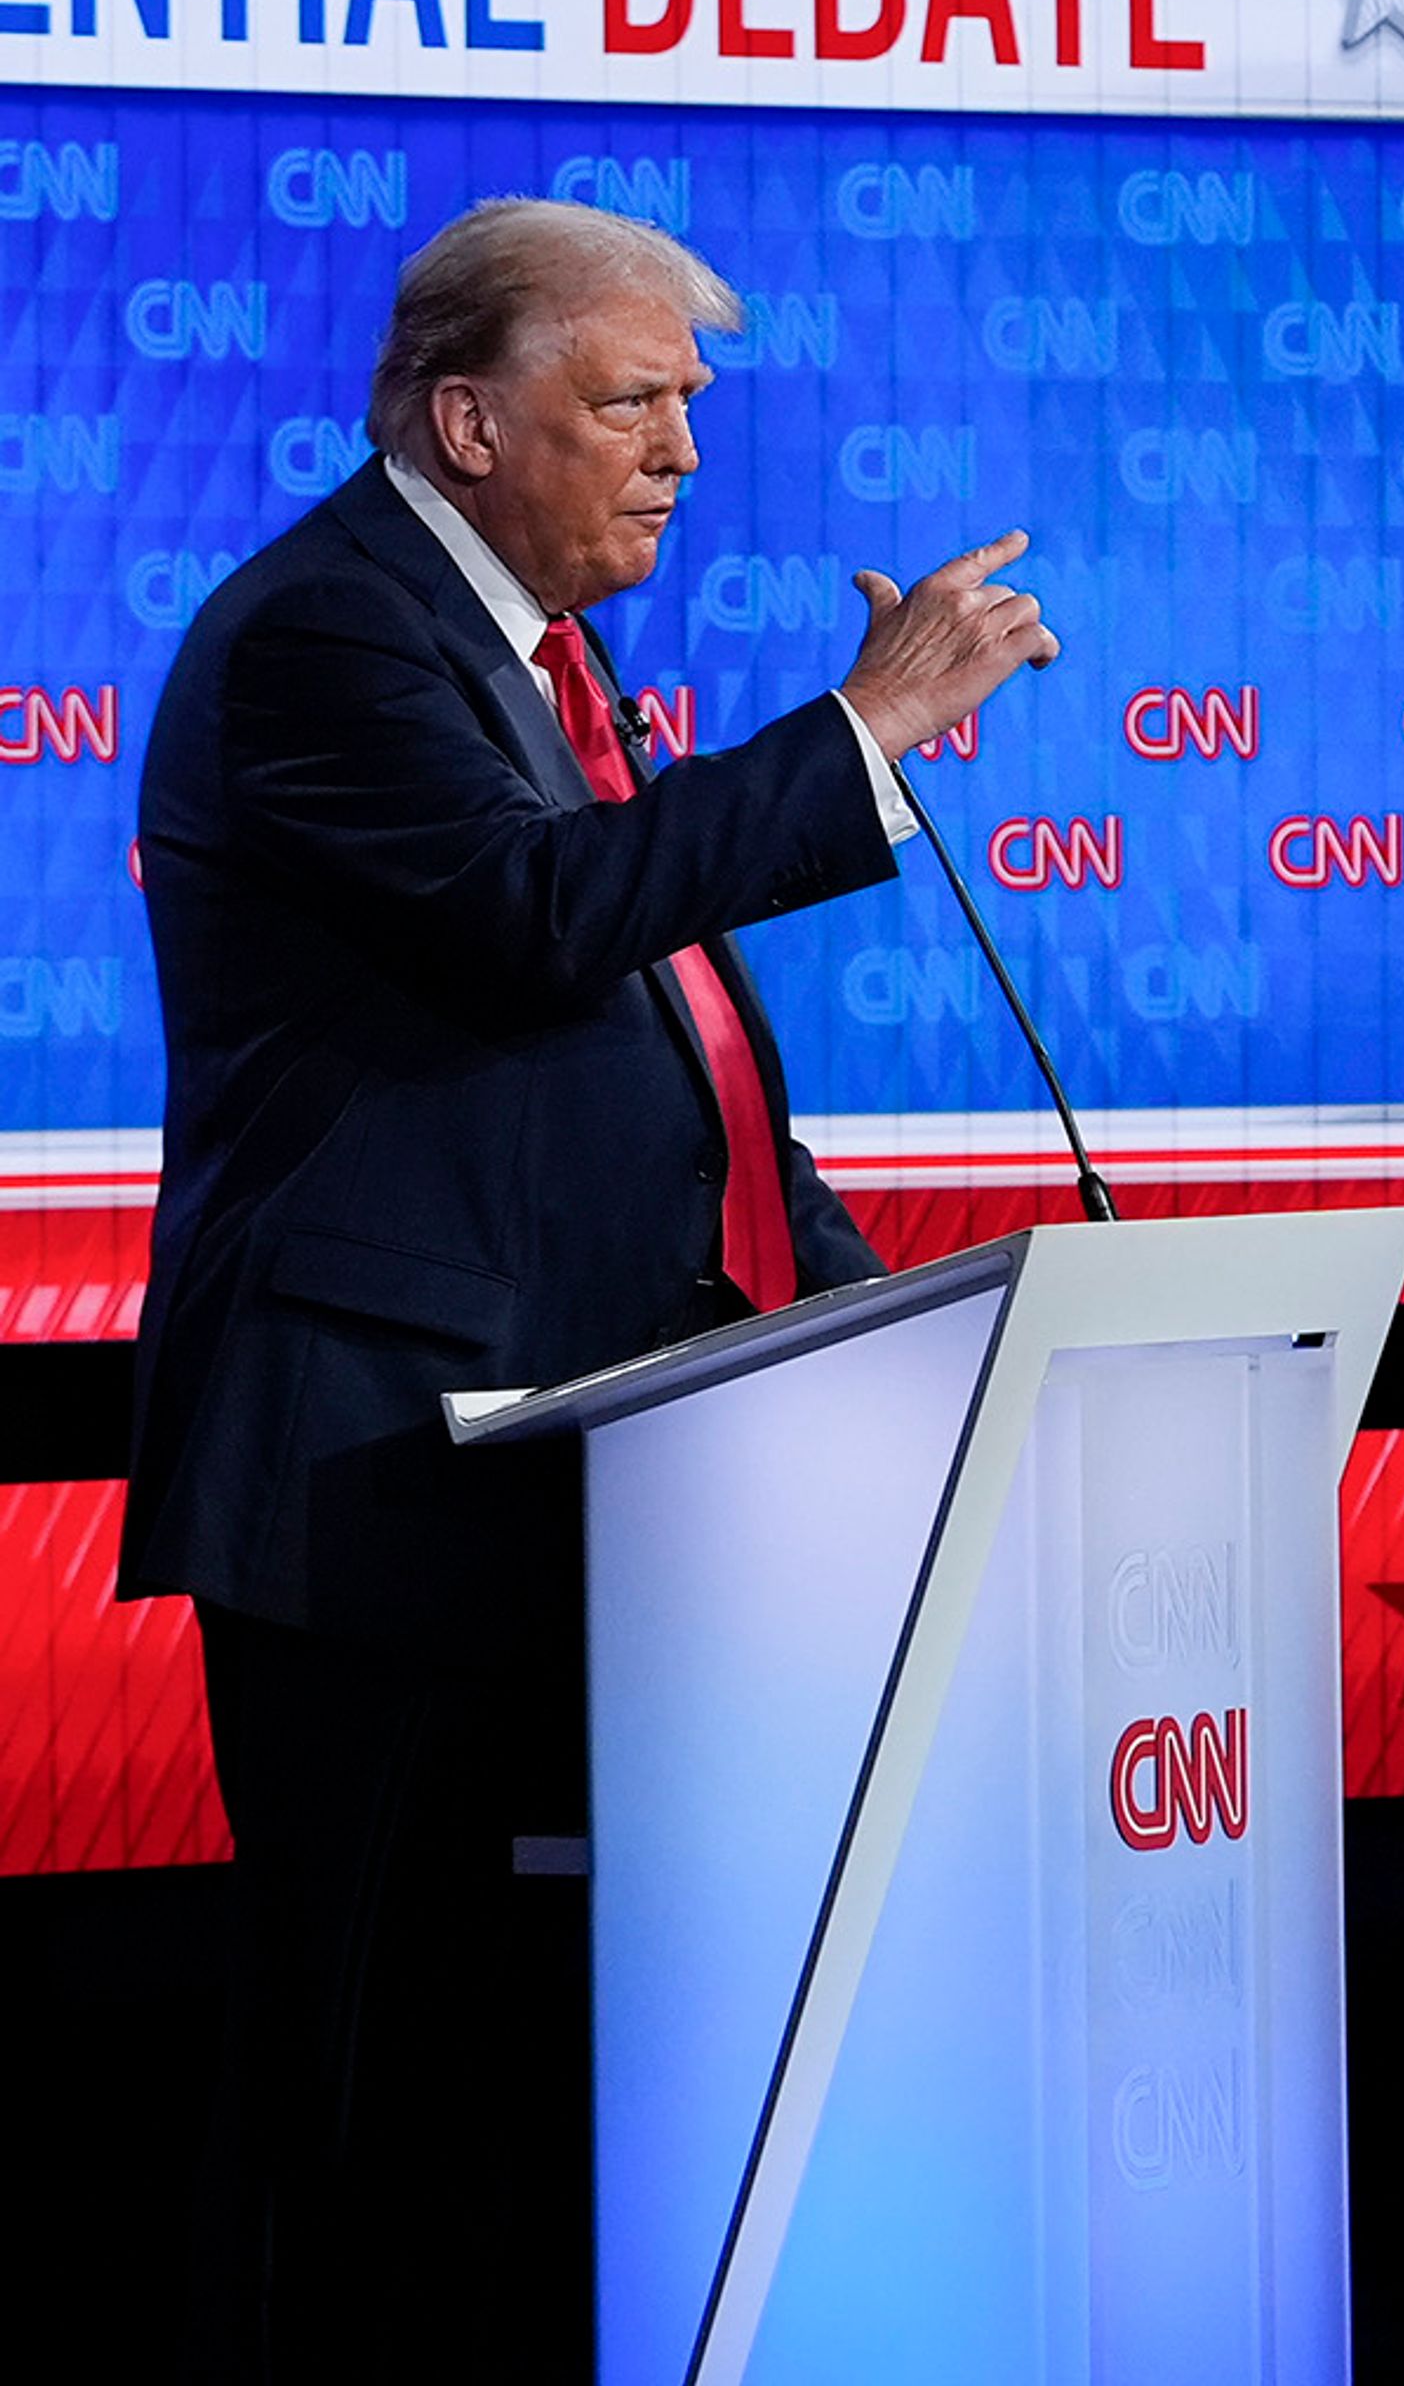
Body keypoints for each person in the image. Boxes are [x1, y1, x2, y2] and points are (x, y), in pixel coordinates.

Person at [119, 196, 1059, 2378]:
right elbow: (537, 917)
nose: (676, 454)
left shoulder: (550, 657)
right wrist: (867, 736)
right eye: (626, 401)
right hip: (378, 1484)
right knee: (365, 2092)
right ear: (466, 418)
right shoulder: (327, 639)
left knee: (521, 2100)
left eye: (688, 408)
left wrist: (878, 1317)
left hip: (563, 1478)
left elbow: (679, 1059)